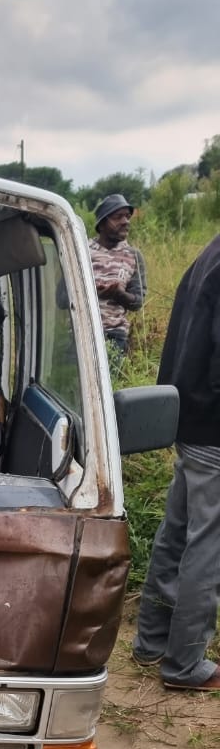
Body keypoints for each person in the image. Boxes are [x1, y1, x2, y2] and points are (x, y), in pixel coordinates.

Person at [133, 231, 220, 689]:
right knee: (209, 544)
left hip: (187, 416)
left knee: (177, 531)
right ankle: (185, 663)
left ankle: (152, 641)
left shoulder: (208, 251)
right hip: (214, 424)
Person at [89, 193, 147, 356]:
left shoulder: (133, 255)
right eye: (118, 217)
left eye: (127, 217)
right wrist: (93, 291)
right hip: (83, 334)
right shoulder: (82, 252)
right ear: (101, 224)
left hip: (116, 337)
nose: (125, 222)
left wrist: (118, 294)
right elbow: (62, 298)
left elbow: (137, 302)